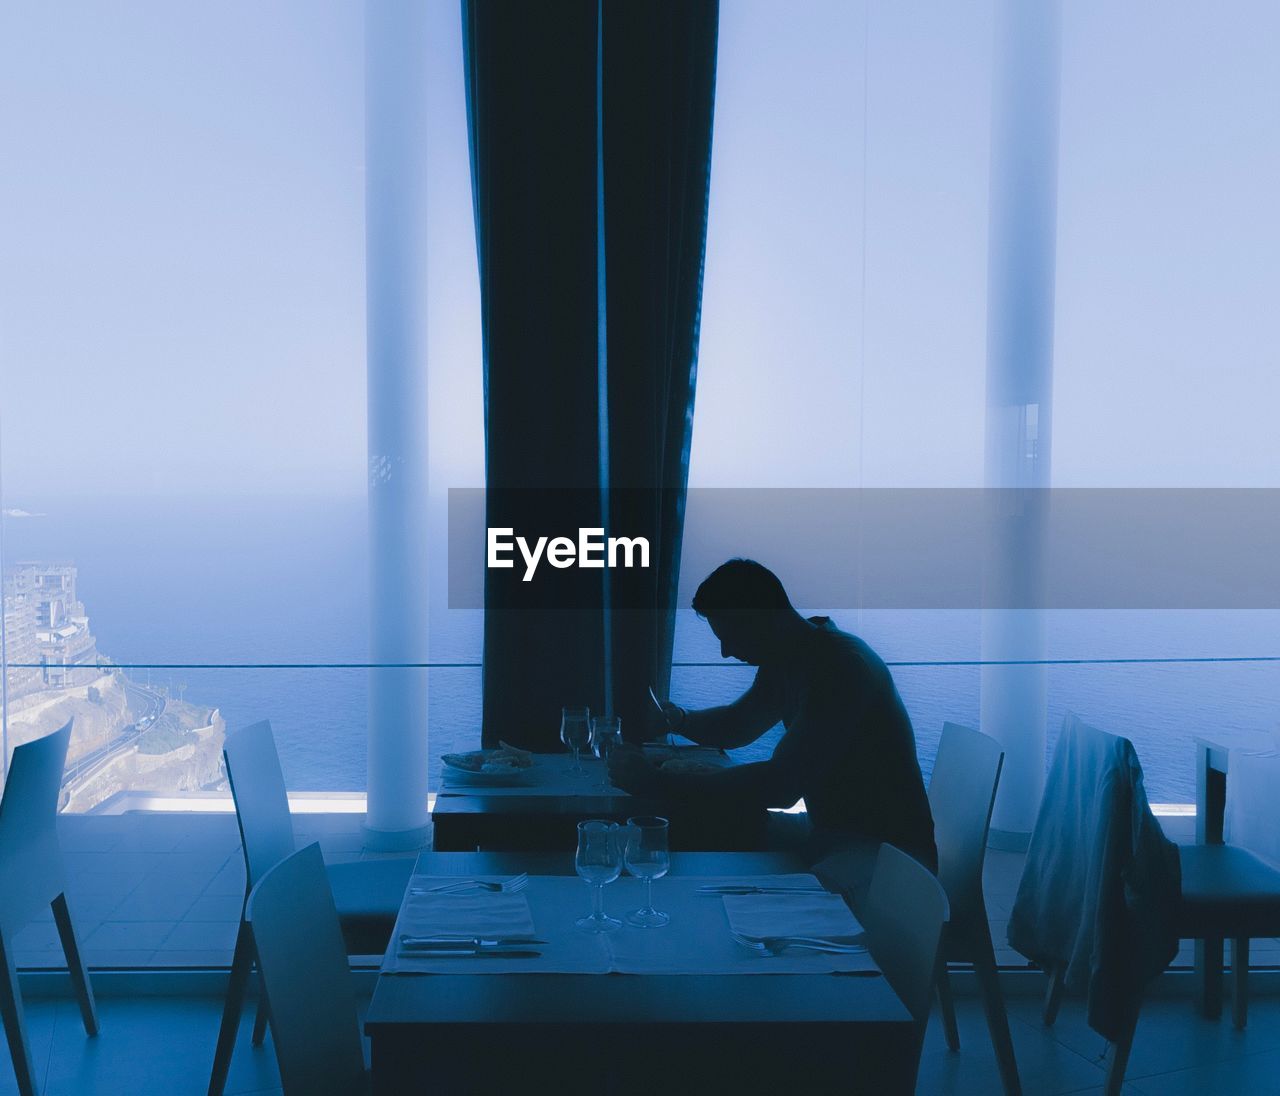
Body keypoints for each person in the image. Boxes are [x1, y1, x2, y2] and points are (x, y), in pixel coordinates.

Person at [608, 559, 937, 892]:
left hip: (883, 852)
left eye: (731, 636)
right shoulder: (793, 656)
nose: (725, 652)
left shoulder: (840, 667)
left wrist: (655, 781)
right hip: (829, 830)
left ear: (763, 618)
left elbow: (781, 785)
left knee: (729, 874)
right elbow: (737, 726)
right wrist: (678, 719)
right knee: (694, 827)